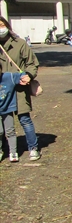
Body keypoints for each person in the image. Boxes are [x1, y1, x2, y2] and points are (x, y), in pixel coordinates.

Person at [0, 16, 41, 161]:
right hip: (2, 90)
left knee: (24, 119)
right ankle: (6, 148)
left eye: (2, 25)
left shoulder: (20, 44)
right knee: (3, 121)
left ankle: (33, 147)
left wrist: (29, 75)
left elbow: (32, 63)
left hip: (19, 88)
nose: (1, 29)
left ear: (7, 26)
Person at [0, 66, 30, 162]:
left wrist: (26, 77)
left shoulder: (9, 77)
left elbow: (22, 75)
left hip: (7, 108)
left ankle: (13, 152)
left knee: (10, 130)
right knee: (0, 131)